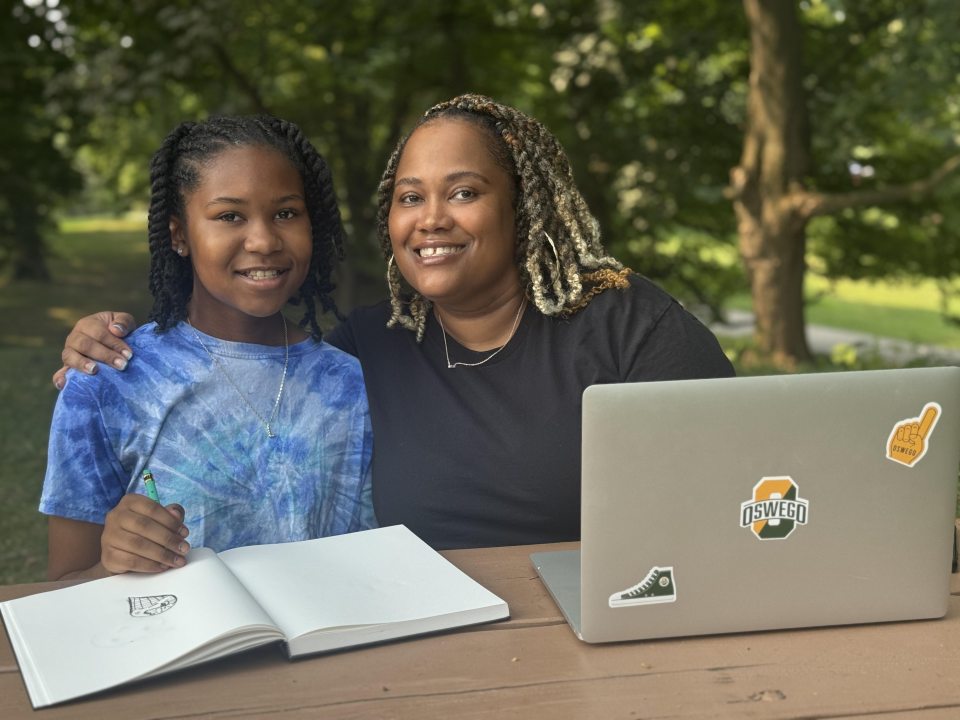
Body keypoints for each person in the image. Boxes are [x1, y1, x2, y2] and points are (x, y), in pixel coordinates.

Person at [54, 94, 732, 551]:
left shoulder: (627, 327)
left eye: (463, 192)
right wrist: (100, 347)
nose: (431, 218)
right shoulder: (366, 350)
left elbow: (738, 507)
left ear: (521, 208)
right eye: (412, 197)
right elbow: (238, 354)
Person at [44, 115, 375, 581]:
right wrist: (112, 563)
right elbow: (61, 587)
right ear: (179, 235)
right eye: (229, 216)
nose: (263, 240)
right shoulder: (107, 382)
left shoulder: (351, 384)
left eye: (286, 213)